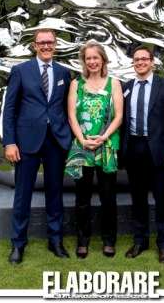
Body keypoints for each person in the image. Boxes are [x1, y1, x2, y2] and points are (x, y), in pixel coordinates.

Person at [2, 28, 72, 264]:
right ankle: (18, 244)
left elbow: (65, 107)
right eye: (41, 42)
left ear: (55, 44)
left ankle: (55, 241)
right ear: (34, 45)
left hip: (55, 141)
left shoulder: (64, 72)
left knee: (55, 194)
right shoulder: (20, 71)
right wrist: (9, 141)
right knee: (23, 195)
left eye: (49, 42)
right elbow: (9, 109)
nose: (46, 46)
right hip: (26, 143)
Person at [120, 46, 164, 264]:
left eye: (144, 59)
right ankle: (140, 241)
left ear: (152, 62)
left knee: (162, 199)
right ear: (133, 63)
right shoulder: (126, 87)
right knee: (138, 198)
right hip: (133, 149)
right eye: (137, 60)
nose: (140, 62)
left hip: (159, 150)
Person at [64, 40, 123, 259]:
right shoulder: (76, 84)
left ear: (103, 60)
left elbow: (119, 116)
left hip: (106, 147)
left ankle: (109, 241)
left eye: (95, 57)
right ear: (84, 61)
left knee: (108, 197)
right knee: (82, 198)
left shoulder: (114, 84)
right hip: (82, 148)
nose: (92, 62)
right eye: (88, 58)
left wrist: (103, 137)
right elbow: (72, 115)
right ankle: (83, 240)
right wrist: (83, 139)